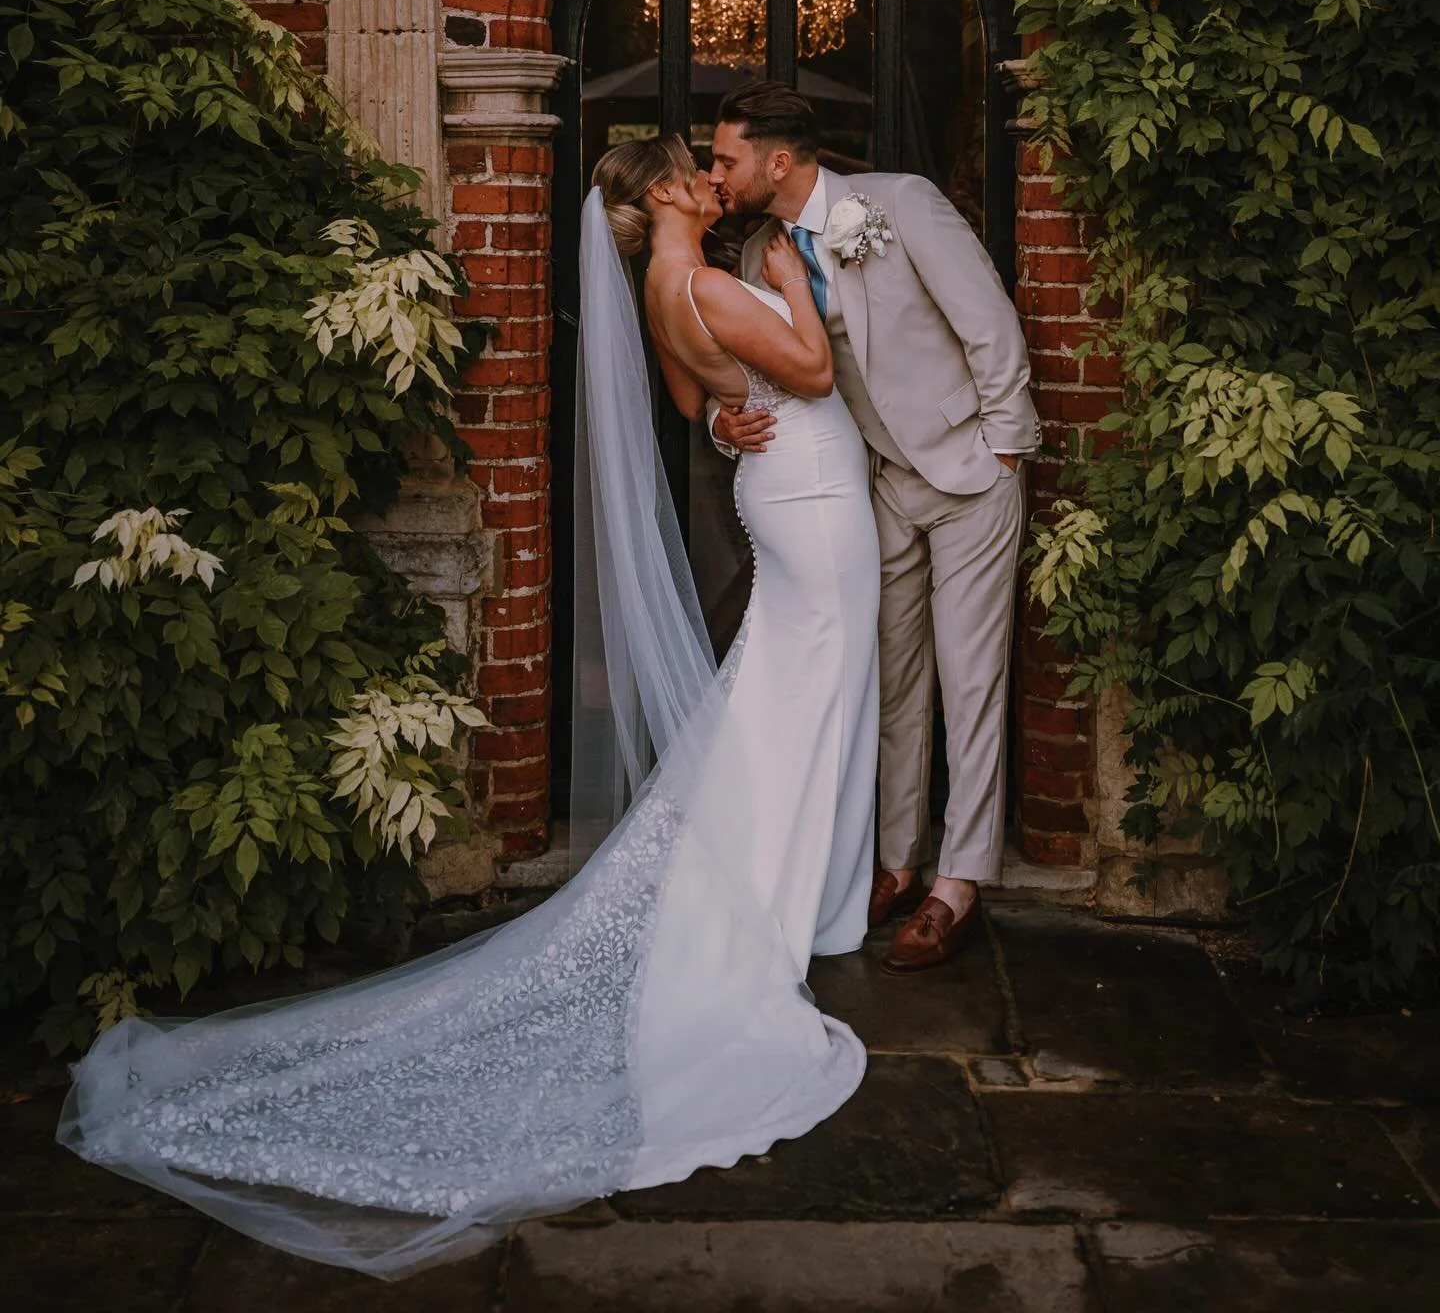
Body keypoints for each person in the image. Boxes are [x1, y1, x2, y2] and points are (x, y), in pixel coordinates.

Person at [57, 135, 883, 1278]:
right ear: (656, 196)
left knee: (782, 698)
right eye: (690, 167)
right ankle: (792, 906)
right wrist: (793, 291)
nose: (706, 174)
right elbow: (813, 375)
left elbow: (693, 392)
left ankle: (797, 891)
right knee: (808, 693)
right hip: (810, 485)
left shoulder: (662, 288)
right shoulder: (707, 278)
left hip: (776, 482)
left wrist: (718, 418)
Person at [708, 83, 1039, 972]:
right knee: (889, 679)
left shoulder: (895, 205)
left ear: (778, 162)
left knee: (971, 682)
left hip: (968, 473)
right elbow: (738, 375)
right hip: (873, 486)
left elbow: (989, 323)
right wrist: (717, 424)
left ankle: (958, 883)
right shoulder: (752, 256)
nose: (716, 174)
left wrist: (1003, 448)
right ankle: (896, 861)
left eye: (725, 159)